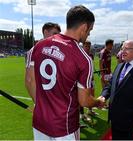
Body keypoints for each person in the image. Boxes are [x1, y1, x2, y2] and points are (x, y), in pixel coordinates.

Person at [25, 5, 104, 140]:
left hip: (40, 122)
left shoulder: (39, 46)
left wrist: (39, 107)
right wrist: (98, 102)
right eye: (89, 30)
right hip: (64, 127)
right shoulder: (83, 58)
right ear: (84, 27)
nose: (88, 34)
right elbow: (84, 101)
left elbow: (29, 81)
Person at [98, 40, 133, 140]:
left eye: (127, 48)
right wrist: (103, 95)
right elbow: (111, 85)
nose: (122, 51)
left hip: (131, 124)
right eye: (122, 48)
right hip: (115, 120)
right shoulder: (119, 66)